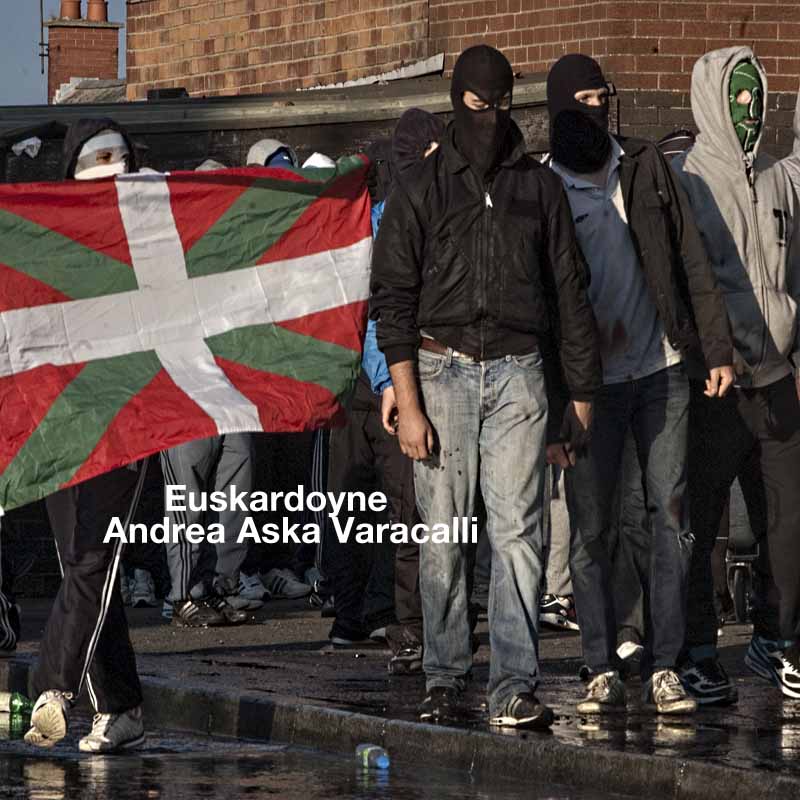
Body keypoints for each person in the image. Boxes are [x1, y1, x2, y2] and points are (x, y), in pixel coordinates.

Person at [371, 44, 601, 728]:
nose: (491, 119)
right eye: (479, 105)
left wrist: (580, 399)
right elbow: (393, 300)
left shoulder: (539, 188)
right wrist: (407, 398)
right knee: (443, 535)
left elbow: (570, 295)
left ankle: (513, 684)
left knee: (520, 535)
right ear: (457, 103)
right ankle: (444, 675)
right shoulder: (420, 188)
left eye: (502, 105)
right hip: (439, 371)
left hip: (520, 373)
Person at [545, 54, 734, 715]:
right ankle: (599, 665)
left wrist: (715, 349)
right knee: (592, 529)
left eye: (604, 97)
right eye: (584, 100)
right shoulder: (543, 187)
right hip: (588, 386)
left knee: (671, 520)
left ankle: (665, 666)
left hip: (661, 370)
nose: (598, 109)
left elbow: (690, 258)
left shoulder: (645, 166)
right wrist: (555, 406)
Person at [673, 46, 800, 702]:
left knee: (789, 519)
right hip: (714, 383)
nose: (749, 113)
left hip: (776, 378)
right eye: (737, 100)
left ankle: (775, 639)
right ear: (713, 102)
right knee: (701, 524)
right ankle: (697, 648)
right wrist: (705, 354)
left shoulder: (780, 180)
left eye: (757, 100)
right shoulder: (686, 181)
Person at [25, 119, 147, 753]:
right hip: (60, 425)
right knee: (84, 563)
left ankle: (53, 688)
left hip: (128, 421)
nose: (114, 168)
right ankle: (122, 706)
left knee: (95, 558)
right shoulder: (46, 242)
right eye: (99, 159)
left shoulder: (153, 233)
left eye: (123, 158)